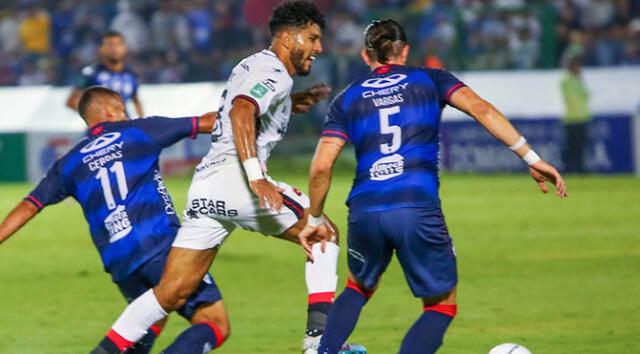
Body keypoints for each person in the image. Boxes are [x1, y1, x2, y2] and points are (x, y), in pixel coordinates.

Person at [91, 2, 356, 354]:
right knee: (323, 233)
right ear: (289, 38)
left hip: (206, 187)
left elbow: (245, 102)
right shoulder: (274, 72)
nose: (319, 48)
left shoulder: (253, 64)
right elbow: (241, 109)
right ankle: (319, 344)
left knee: (170, 292)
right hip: (238, 181)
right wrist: (256, 177)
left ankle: (104, 351)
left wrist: (288, 102)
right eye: (313, 38)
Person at [297, 19, 568, 354]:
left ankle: (323, 352)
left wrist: (314, 219)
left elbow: (322, 166)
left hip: (365, 209)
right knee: (441, 305)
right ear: (405, 50)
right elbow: (481, 109)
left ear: (367, 57)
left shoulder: (347, 98)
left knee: (357, 287)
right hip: (415, 204)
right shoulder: (431, 78)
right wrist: (530, 157)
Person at [0, 86, 223, 354]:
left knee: (147, 321)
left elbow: (30, 205)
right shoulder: (139, 131)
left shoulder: (68, 162)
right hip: (160, 246)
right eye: (122, 108)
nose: (126, 113)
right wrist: (258, 110)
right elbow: (209, 122)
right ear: (109, 110)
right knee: (214, 323)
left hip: (120, 263)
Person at [66, 31, 144, 118]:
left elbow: (136, 101)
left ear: (125, 48)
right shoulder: (90, 73)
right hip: (101, 129)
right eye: (110, 45)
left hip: (125, 127)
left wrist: (141, 123)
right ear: (101, 49)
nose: (115, 49)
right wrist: (96, 116)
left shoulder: (131, 73)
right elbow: (71, 101)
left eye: (118, 44)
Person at [560, 55, 590, 173]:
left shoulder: (578, 79)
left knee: (580, 145)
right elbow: (572, 97)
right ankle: (567, 168)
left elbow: (586, 95)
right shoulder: (566, 80)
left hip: (582, 117)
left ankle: (580, 167)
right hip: (572, 118)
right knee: (571, 145)